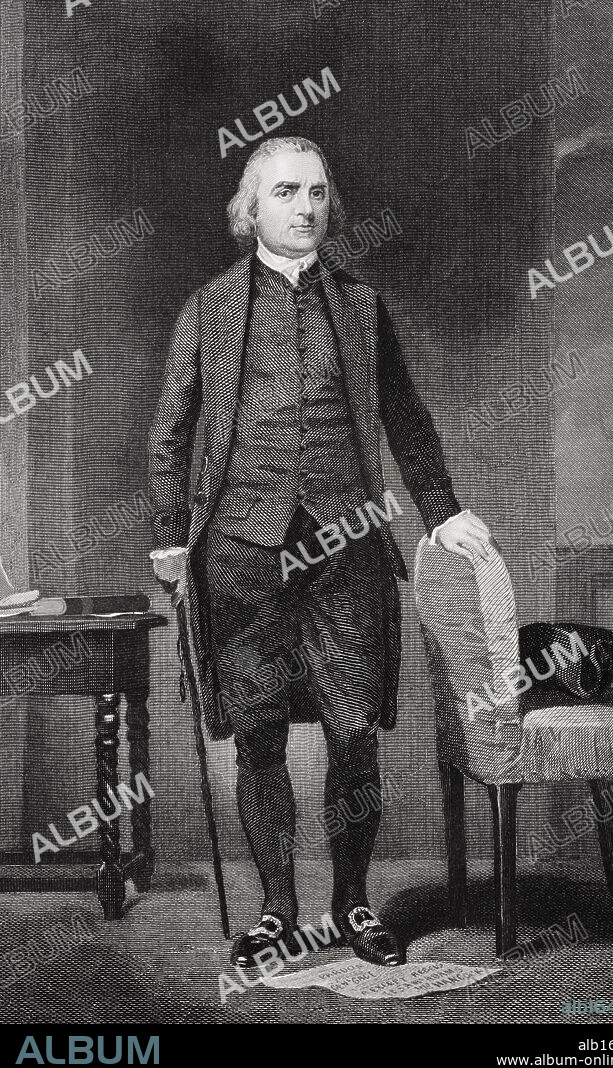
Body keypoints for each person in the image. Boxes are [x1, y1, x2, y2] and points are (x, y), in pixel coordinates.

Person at [149, 135, 491, 968]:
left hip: (347, 551)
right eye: (286, 192)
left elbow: (405, 414)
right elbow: (171, 431)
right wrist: (167, 537)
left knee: (353, 732)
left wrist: (442, 511)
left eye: (317, 192)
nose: (305, 208)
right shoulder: (210, 308)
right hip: (241, 556)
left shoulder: (363, 307)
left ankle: (352, 902)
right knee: (259, 735)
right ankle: (276, 909)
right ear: (250, 210)